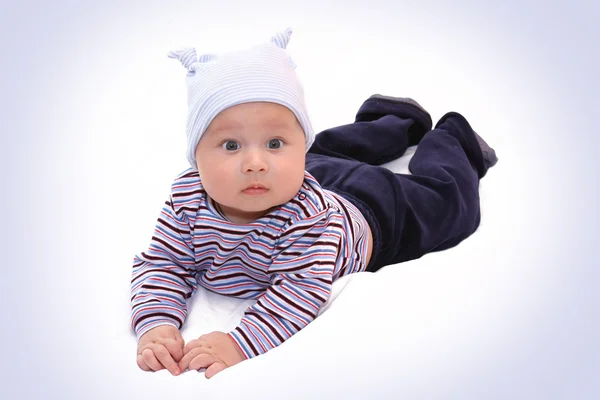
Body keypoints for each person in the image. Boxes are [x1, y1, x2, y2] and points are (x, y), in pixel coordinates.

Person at [130, 28, 498, 379]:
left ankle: (453, 140)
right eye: (231, 145)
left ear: (296, 146)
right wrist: (157, 323)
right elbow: (164, 263)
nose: (255, 162)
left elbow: (299, 289)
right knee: (327, 151)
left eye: (275, 143)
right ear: (195, 156)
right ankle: (392, 118)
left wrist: (239, 344)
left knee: (445, 205)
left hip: (375, 211)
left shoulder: (308, 219)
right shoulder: (187, 200)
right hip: (314, 172)